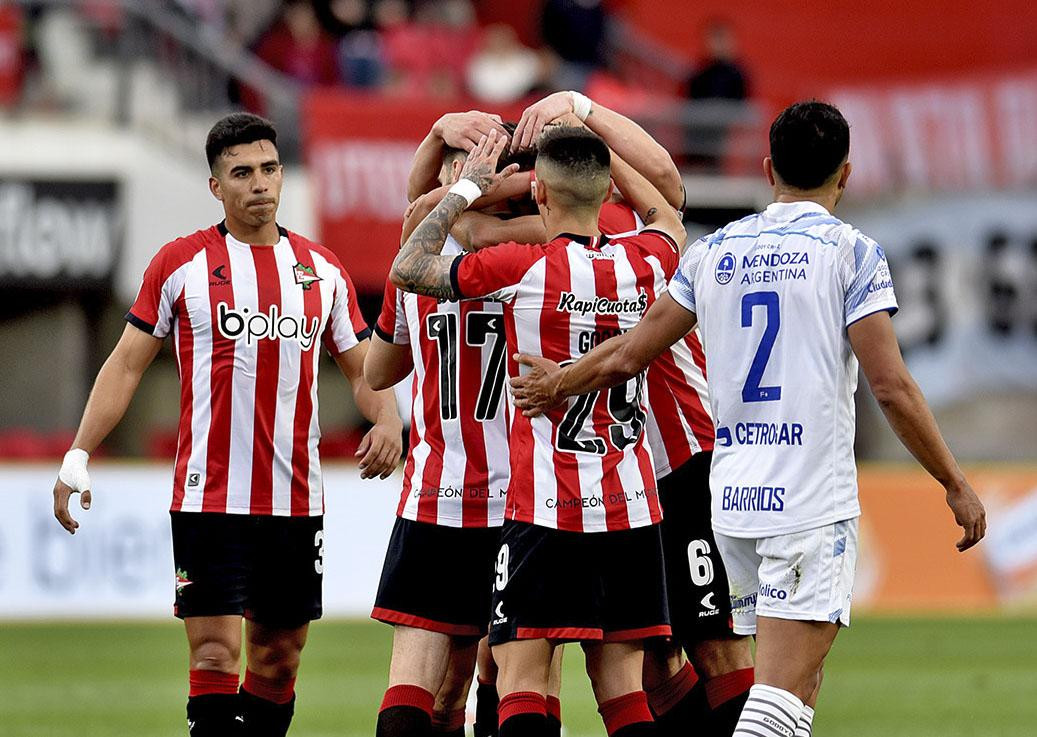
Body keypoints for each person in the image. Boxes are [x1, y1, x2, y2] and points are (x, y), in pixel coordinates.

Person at [509, 100, 988, 737]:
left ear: (767, 168)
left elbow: (629, 351)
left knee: (791, 687)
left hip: (731, 499)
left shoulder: (717, 251)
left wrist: (558, 382)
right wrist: (953, 481)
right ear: (845, 174)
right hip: (806, 501)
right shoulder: (852, 253)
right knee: (777, 694)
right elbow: (891, 386)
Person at [51, 112, 403, 737]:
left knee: (278, 658)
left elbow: (360, 371)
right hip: (208, 499)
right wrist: (78, 453)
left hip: (295, 501)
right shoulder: (181, 264)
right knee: (214, 655)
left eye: (269, 169)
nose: (259, 184)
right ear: (217, 186)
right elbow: (127, 363)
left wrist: (389, 420)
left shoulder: (321, 270)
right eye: (242, 173)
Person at [456, 90, 758, 736]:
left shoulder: (617, 236)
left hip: (681, 454)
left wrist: (579, 112)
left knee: (702, 645)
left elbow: (667, 185)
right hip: (621, 475)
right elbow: (473, 231)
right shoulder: (601, 241)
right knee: (643, 659)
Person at [391, 124, 683, 737]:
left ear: (541, 196)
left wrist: (467, 189)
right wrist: (609, 170)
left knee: (521, 674)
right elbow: (666, 214)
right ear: (606, 191)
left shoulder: (521, 269)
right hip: (631, 506)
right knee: (623, 694)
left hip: (546, 507)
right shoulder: (647, 261)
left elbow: (411, 266)